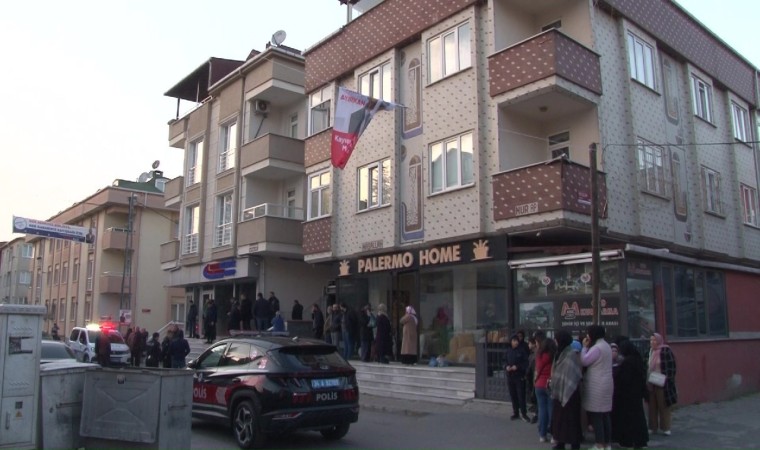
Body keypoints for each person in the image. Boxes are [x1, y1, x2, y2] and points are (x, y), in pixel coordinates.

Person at [581, 325, 614, 450]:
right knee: (605, 415)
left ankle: (600, 444)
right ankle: (607, 443)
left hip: (597, 384)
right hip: (607, 383)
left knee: (597, 415)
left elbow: (584, 361)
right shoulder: (607, 346)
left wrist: (584, 348)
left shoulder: (597, 348)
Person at [550, 329, 584, 450]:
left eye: (556, 339)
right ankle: (560, 443)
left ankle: (575, 444)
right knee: (559, 421)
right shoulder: (559, 353)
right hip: (559, 393)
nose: (555, 341)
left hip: (571, 393)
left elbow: (572, 374)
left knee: (572, 421)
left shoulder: (571, 355)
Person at [612, 340, 649, 449]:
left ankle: (628, 441)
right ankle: (640, 441)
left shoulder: (627, 363)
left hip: (627, 395)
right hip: (637, 394)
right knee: (639, 418)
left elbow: (624, 379)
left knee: (628, 420)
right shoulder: (637, 360)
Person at [647, 332, 677, 436]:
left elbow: (671, 366)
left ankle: (666, 427)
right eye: (651, 340)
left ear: (659, 341)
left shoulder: (665, 350)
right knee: (652, 406)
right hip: (651, 381)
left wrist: (667, 380)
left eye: (654, 340)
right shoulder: (651, 351)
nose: (652, 342)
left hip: (662, 382)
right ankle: (652, 427)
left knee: (663, 405)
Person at [534, 330, 557, 442]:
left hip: (539, 384)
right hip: (550, 384)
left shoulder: (539, 355)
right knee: (551, 410)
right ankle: (553, 435)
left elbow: (537, 370)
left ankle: (542, 435)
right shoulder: (554, 356)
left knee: (542, 410)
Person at [505, 333, 530, 422]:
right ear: (511, 342)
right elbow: (504, 361)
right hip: (510, 376)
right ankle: (516, 412)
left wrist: (518, 367)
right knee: (513, 395)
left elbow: (526, 363)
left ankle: (524, 413)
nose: (516, 342)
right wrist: (506, 367)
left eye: (517, 341)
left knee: (521, 396)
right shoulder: (508, 351)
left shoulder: (521, 351)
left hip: (519, 376)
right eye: (514, 341)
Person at [525, 336, 539, 422]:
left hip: (534, 377)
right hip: (533, 377)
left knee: (535, 396)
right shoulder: (533, 353)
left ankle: (536, 414)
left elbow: (531, 367)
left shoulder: (535, 354)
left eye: (529, 343)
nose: (528, 345)